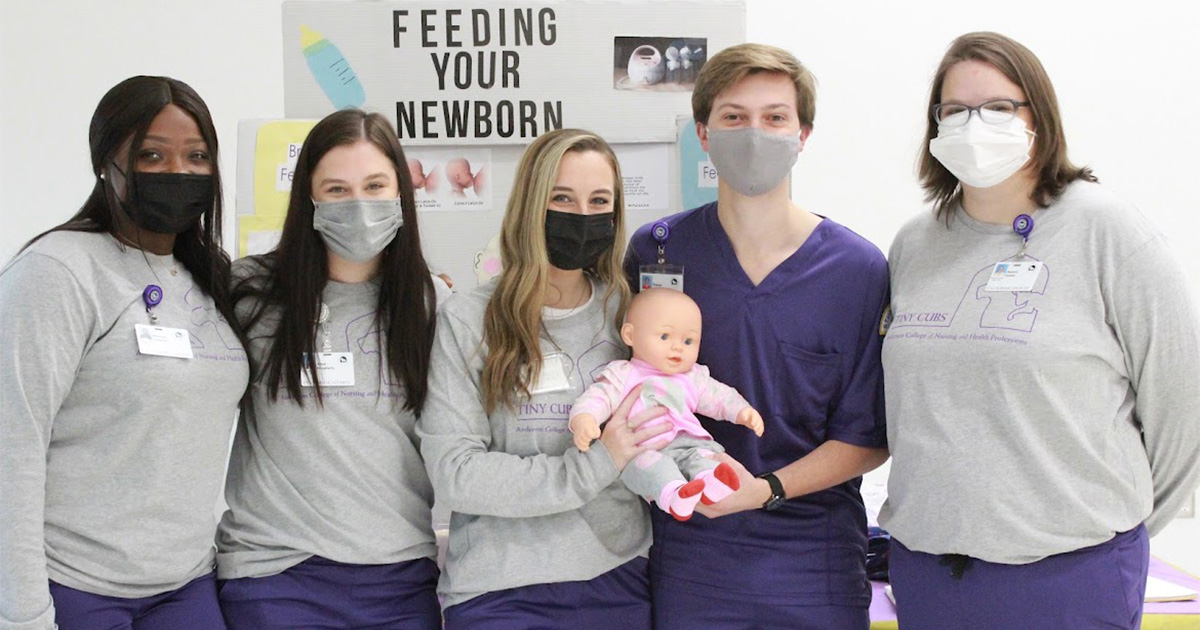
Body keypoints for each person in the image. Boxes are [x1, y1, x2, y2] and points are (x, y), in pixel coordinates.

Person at [879, 31, 1200, 630]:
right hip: (930, 575)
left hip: (1069, 578)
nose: (976, 124)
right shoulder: (914, 243)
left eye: (999, 107)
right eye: (955, 111)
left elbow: (1181, 403)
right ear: (935, 124)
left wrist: (1118, 529)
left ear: (1039, 117)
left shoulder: (1106, 229)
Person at [623, 43, 890, 629]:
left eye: (775, 117)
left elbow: (870, 435)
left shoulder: (857, 270)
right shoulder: (658, 251)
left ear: (804, 135)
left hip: (813, 559)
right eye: (733, 117)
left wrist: (765, 489)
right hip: (692, 553)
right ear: (703, 133)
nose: (754, 133)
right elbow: (631, 387)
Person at [0, 75, 248, 630]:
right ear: (105, 163)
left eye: (197, 156)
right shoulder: (58, 272)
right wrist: (23, 614)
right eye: (151, 155)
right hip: (74, 586)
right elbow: (11, 449)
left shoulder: (212, 276)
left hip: (184, 584)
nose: (177, 172)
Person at [417, 128, 671, 630]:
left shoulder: (629, 314)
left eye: (599, 200)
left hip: (617, 579)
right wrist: (595, 466)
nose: (581, 215)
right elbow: (457, 475)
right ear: (532, 203)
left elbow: (667, 422)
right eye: (562, 198)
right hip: (498, 590)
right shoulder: (469, 319)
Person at [215, 109, 450, 630]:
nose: (360, 205)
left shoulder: (432, 304)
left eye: (375, 185)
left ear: (400, 193)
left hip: (399, 577)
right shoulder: (249, 293)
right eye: (338, 190)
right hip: (274, 574)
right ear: (310, 199)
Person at [569, 288, 764, 521]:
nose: (677, 347)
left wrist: (742, 411)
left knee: (705, 457)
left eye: (688, 340)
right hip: (644, 449)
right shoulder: (623, 374)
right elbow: (598, 397)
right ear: (630, 335)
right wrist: (585, 419)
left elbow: (719, 396)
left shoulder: (692, 376)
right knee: (653, 468)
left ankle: (711, 482)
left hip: (689, 444)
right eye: (664, 336)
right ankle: (674, 495)